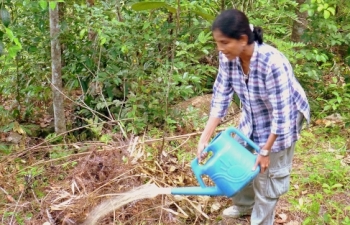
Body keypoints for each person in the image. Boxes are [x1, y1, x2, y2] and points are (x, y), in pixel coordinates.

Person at [197, 9, 310, 224]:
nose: (220, 49)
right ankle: (245, 205)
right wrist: (204, 137)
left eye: (224, 42)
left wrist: (266, 150)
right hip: (254, 113)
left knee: (268, 175)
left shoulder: (272, 62)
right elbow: (220, 96)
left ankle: (261, 220)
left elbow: (282, 114)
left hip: (285, 117)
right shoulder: (228, 58)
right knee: (239, 157)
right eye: (217, 43)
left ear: (242, 39)